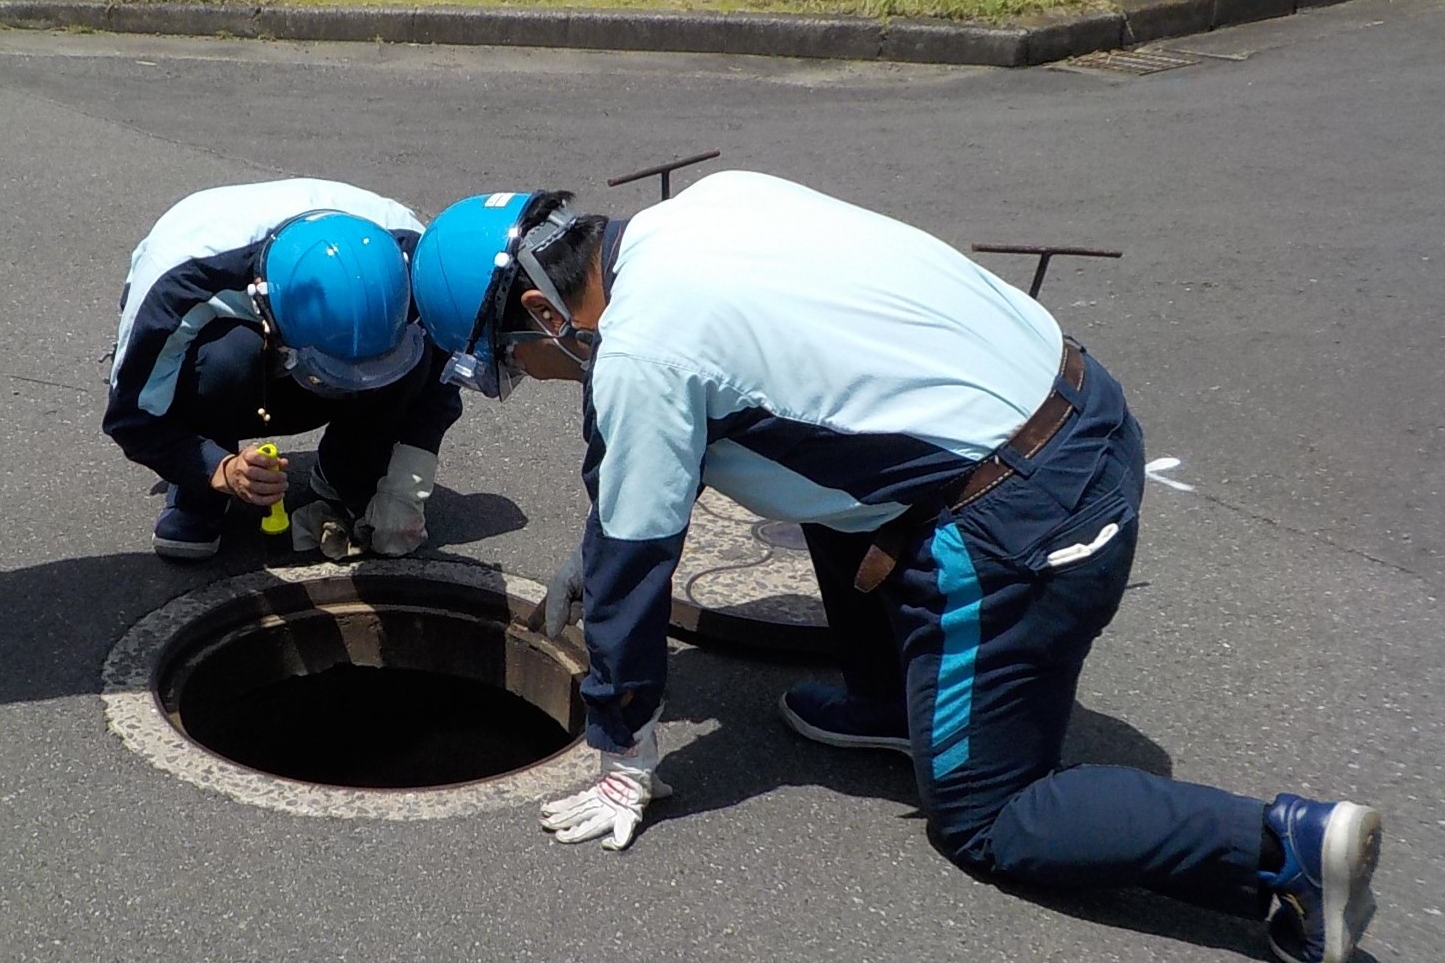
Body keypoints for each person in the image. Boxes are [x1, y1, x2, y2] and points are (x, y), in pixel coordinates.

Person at [408, 173, 1381, 963]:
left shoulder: (643, 350)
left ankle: (1280, 848)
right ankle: (892, 703)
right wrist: (601, 528)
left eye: (505, 364)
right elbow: (680, 421)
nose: (520, 382)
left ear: (538, 308)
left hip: (1022, 517)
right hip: (1064, 408)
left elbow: (635, 563)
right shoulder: (700, 212)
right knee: (798, 454)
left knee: (987, 819)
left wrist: (623, 756)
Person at [106, 178, 461, 560]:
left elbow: (441, 379)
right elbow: (132, 416)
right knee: (224, 358)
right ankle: (199, 496)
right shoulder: (176, 283)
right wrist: (217, 469)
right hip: (226, 354)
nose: (349, 387)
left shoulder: (405, 256)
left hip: (314, 324)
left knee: (413, 352)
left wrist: (403, 489)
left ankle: (345, 475)